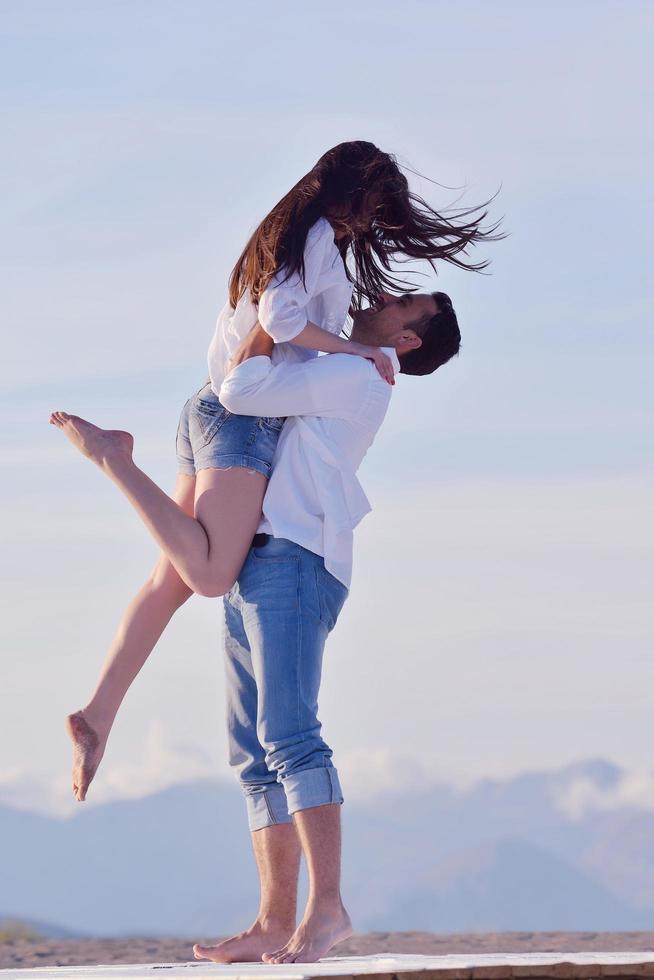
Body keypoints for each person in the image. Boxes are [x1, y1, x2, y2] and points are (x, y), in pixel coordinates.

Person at [49, 140, 500, 803]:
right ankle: (114, 459)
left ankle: (98, 714)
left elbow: (275, 324)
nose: (388, 282)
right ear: (358, 197)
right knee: (206, 575)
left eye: (406, 305)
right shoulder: (321, 252)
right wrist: (347, 344)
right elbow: (276, 329)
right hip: (237, 417)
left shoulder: (305, 237)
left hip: (204, 409)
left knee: (165, 583)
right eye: (377, 206)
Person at [189, 290, 460, 964]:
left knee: (289, 736)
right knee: (252, 751)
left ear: (409, 342)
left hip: (296, 556)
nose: (385, 294)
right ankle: (275, 919)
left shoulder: (356, 372)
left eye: (404, 303)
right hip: (259, 557)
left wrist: (261, 325)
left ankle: (326, 908)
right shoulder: (344, 357)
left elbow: (242, 388)